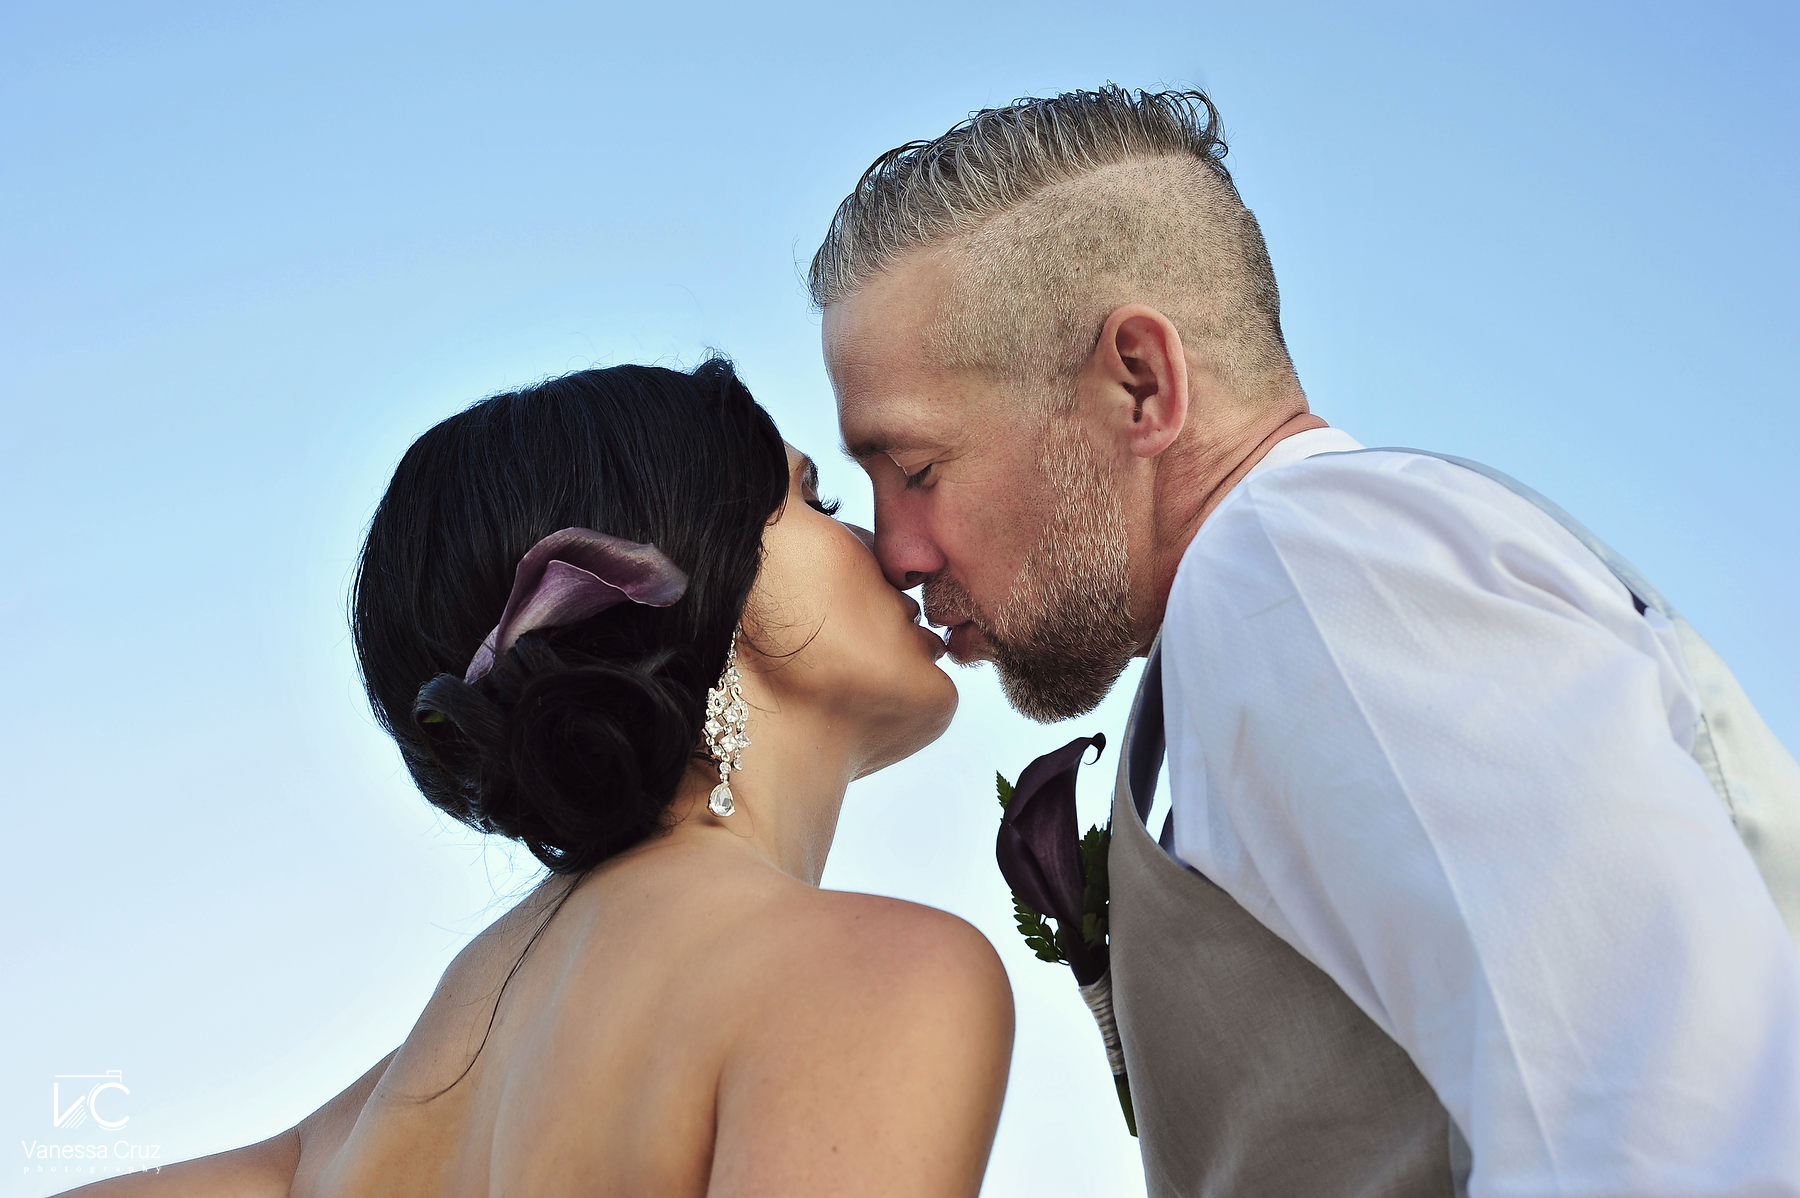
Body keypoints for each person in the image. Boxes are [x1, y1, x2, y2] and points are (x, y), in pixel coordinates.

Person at [814, 86, 1800, 1196]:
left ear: (1140, 385)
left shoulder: (1307, 569)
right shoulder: (1284, 598)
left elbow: (1658, 1114)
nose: (895, 547)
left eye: (917, 469)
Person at [60, 359, 1013, 1197]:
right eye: (817, 502)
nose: (892, 553)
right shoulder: (870, 980)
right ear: (686, 568)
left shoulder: (322, 1154)